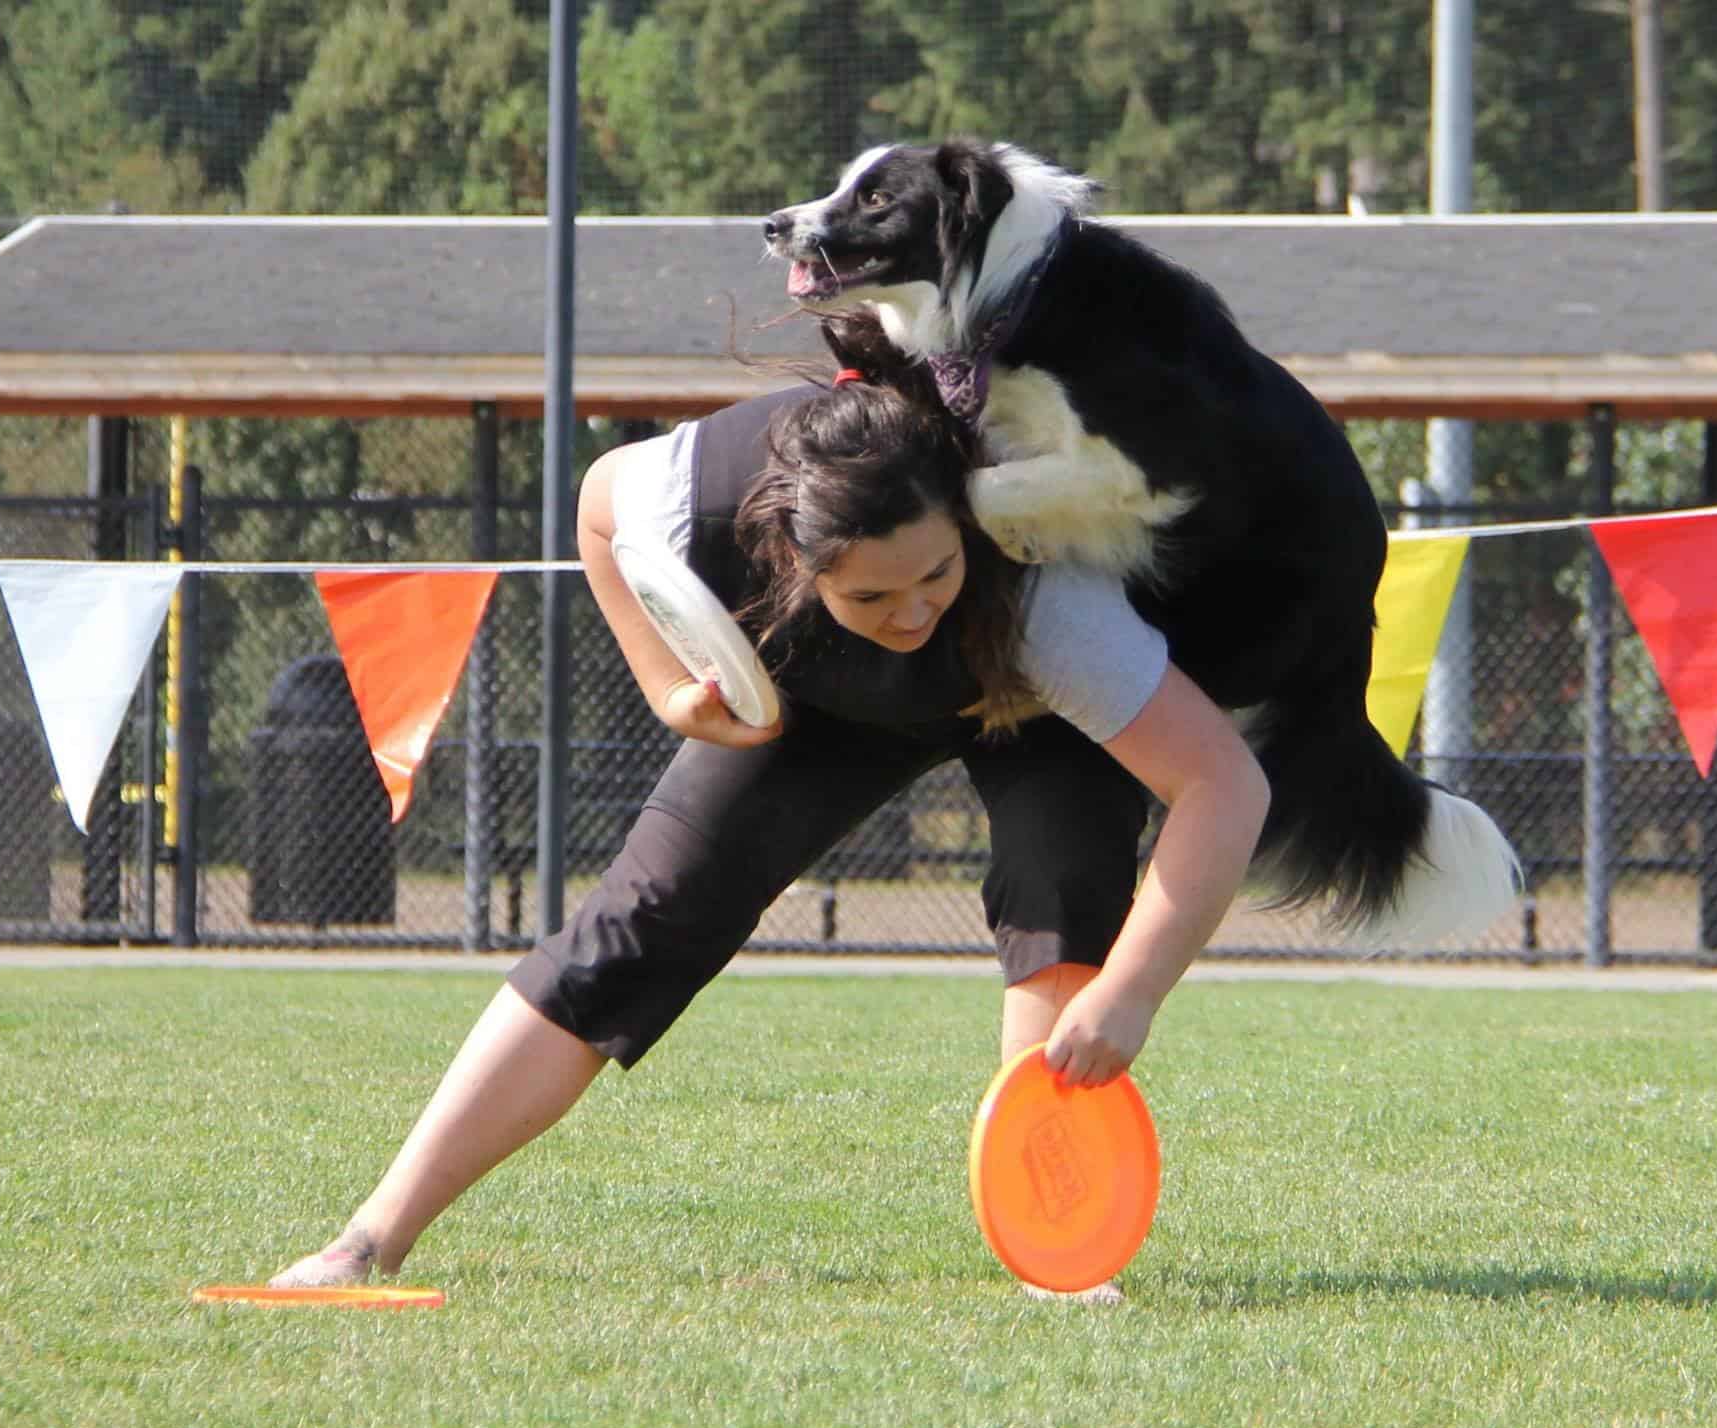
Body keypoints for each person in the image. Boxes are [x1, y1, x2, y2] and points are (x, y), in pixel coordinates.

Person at [267, 367, 1268, 1298]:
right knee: (639, 921)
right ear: (793, 554)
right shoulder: (697, 498)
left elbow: (1223, 786)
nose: (913, 610)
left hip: (1029, 699)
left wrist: (1130, 994)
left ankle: (1061, 1259)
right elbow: (598, 507)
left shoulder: (1046, 598)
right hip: (811, 699)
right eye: (871, 593)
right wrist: (667, 686)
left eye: (932, 573)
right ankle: (367, 1241)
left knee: (1060, 898)